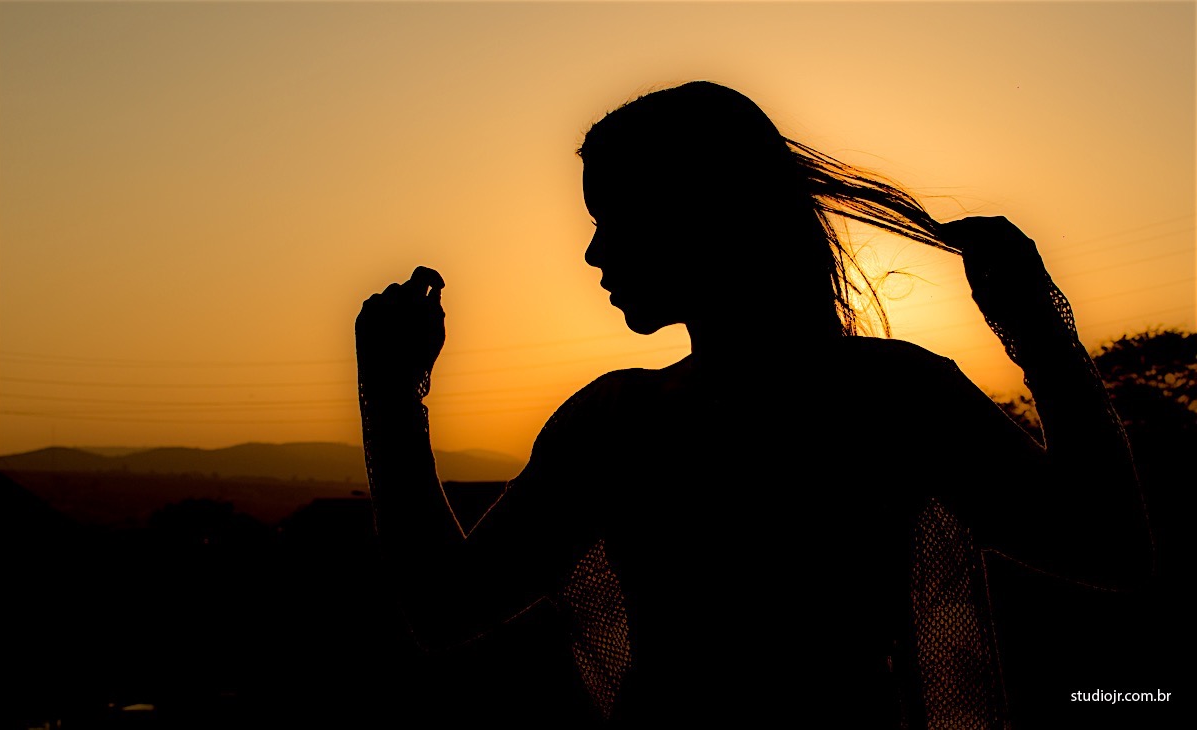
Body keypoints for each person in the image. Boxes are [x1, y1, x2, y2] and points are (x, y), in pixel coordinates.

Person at [354, 81, 1150, 727]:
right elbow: (1107, 545)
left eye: (614, 220)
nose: (595, 251)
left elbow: (444, 608)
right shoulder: (894, 396)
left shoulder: (620, 424)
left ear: (702, 217)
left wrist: (392, 393)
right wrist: (1042, 339)